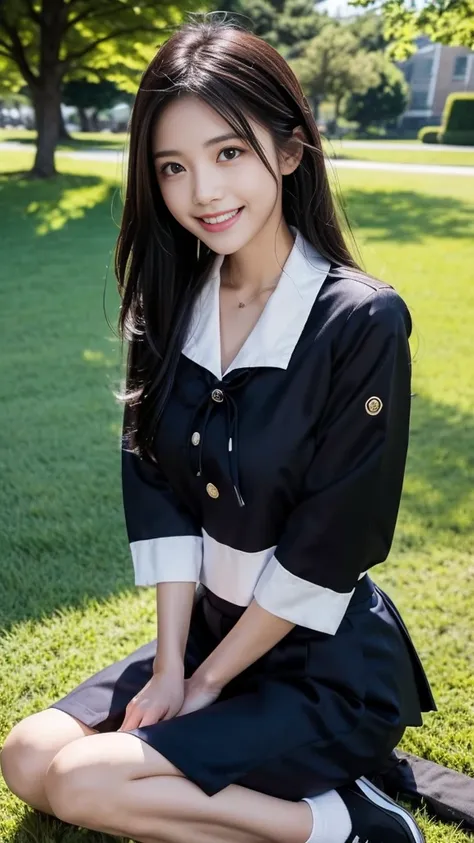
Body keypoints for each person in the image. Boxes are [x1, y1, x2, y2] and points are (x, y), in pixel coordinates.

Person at [0, 16, 437, 843]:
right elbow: (159, 495)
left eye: (228, 153)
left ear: (288, 151)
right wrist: (173, 666)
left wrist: (206, 683)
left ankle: (343, 826)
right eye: (173, 166)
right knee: (28, 757)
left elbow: (330, 546)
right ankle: (317, 805)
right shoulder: (167, 304)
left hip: (321, 665)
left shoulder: (361, 320)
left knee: (87, 783)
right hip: (207, 636)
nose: (202, 192)